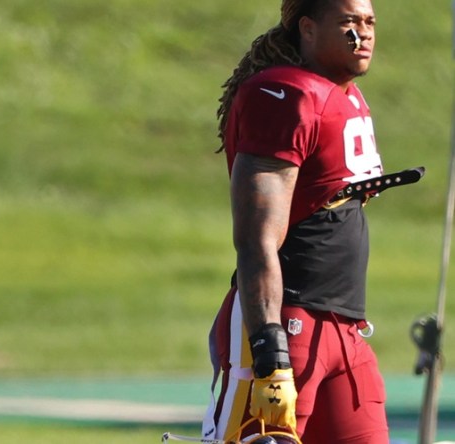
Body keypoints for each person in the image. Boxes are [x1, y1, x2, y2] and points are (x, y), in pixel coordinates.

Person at [201, 0, 390, 443]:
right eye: (347, 22)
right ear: (307, 27)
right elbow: (256, 237)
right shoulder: (285, 95)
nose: (360, 34)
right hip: (287, 319)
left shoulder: (345, 95)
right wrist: (268, 346)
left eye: (368, 23)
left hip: (344, 324)